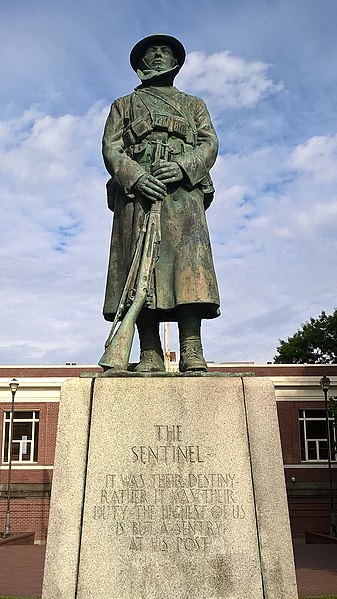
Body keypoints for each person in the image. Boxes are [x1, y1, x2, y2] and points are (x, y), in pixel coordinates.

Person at [102, 34, 220, 373]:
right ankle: (150, 352)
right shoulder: (123, 105)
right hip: (138, 193)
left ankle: (191, 349)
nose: (157, 56)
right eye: (150, 52)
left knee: (189, 268)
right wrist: (137, 177)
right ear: (140, 65)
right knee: (140, 269)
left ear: (175, 62)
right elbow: (112, 148)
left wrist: (184, 166)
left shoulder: (194, 104)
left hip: (182, 191)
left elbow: (209, 143)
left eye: (164, 51)